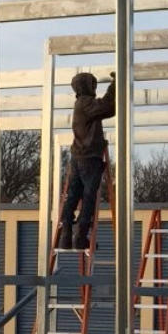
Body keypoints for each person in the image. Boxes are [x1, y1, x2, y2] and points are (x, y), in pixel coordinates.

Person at [59, 71, 116, 249]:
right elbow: (108, 106)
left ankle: (66, 235)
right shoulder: (86, 103)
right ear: (87, 86)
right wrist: (116, 83)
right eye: (93, 85)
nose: (94, 88)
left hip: (77, 158)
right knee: (89, 197)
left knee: (73, 196)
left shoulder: (80, 104)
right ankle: (81, 236)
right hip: (89, 158)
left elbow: (107, 109)